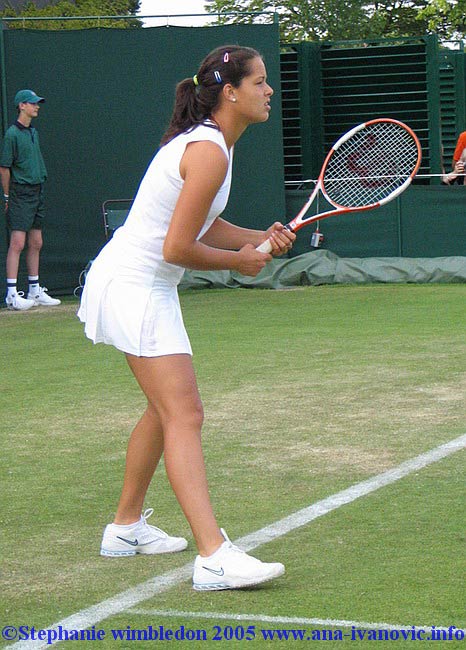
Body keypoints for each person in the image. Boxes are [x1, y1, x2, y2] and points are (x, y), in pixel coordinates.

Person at [78, 45, 295, 591]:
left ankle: (125, 528)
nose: (269, 91)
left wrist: (257, 238)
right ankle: (213, 554)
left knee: (164, 411)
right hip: (136, 285)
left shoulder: (214, 146)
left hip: (141, 284)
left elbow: (200, 224)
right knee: (185, 413)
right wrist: (238, 263)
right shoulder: (208, 152)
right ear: (231, 92)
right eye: (260, 82)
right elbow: (178, 245)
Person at [0, 89, 61, 310]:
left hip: (37, 191)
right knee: (18, 243)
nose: (37, 107)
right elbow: (4, 167)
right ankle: (12, 294)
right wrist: (7, 195)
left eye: (37, 103)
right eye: (32, 103)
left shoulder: (33, 132)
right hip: (20, 192)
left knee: (36, 242)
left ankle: (34, 290)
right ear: (21, 106)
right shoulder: (12, 135)